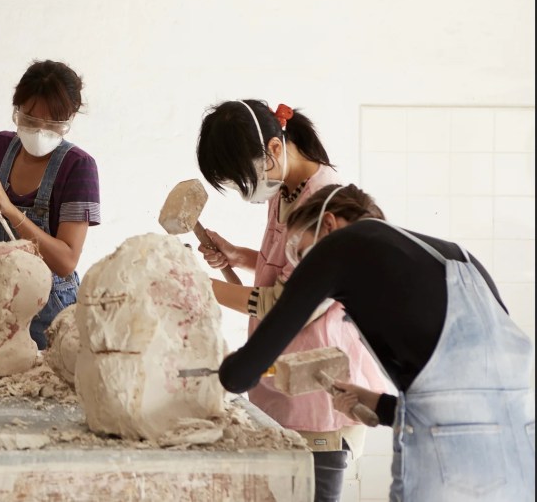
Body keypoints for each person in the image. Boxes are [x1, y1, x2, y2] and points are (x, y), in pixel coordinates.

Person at [220, 184, 534, 501]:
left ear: (329, 224)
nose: (301, 270)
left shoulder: (339, 247)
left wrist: (225, 365)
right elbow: (471, 413)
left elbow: (241, 375)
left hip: (444, 465)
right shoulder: (459, 258)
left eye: (301, 255)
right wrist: (379, 405)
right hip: (522, 452)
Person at [195, 99, 388, 502]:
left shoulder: (325, 205)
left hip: (319, 387)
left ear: (275, 149)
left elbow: (287, 303)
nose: (247, 187)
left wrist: (200, 287)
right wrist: (238, 256)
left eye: (245, 175)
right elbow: (281, 267)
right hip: (279, 377)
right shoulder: (282, 188)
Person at [0, 59, 100, 349]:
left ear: (69, 119)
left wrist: (9, 209)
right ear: (16, 109)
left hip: (53, 310)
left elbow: (66, 262)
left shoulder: (78, 167)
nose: (39, 130)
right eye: (29, 119)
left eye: (53, 124)